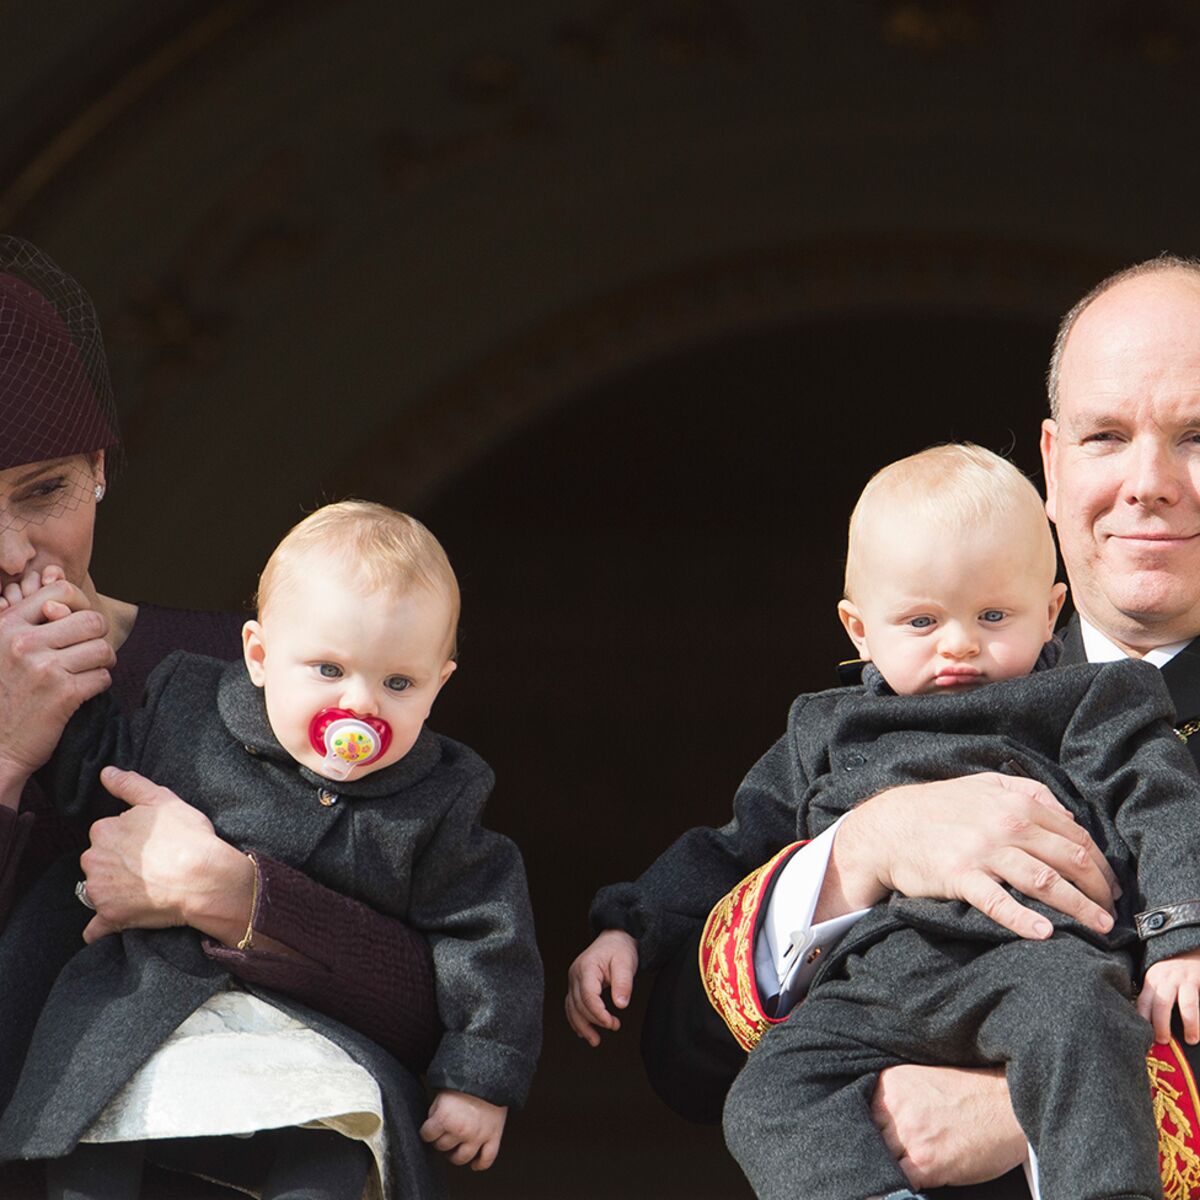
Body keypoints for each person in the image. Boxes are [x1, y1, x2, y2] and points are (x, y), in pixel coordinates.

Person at [568, 253, 1200, 1199]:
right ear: (1052, 461)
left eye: (1199, 435)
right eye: (1107, 435)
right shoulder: (912, 681)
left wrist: (1017, 1114)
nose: (1148, 481)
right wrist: (859, 853)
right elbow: (689, 1065)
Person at [0, 236, 442, 1198]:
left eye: (46, 492)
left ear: (102, 469)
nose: (11, 549)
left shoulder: (246, 677)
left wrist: (235, 895)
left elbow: (440, 1001)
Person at [1, 500, 543, 1199]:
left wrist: (479, 1080)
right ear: (257, 655)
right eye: (327, 669)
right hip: (143, 1008)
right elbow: (96, 772)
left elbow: (487, 934)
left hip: (310, 1045)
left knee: (338, 1155)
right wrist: (51, 677)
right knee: (86, 1141)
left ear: (439, 685)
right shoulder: (188, 708)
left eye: (398, 683)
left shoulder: (440, 797)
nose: (361, 704)